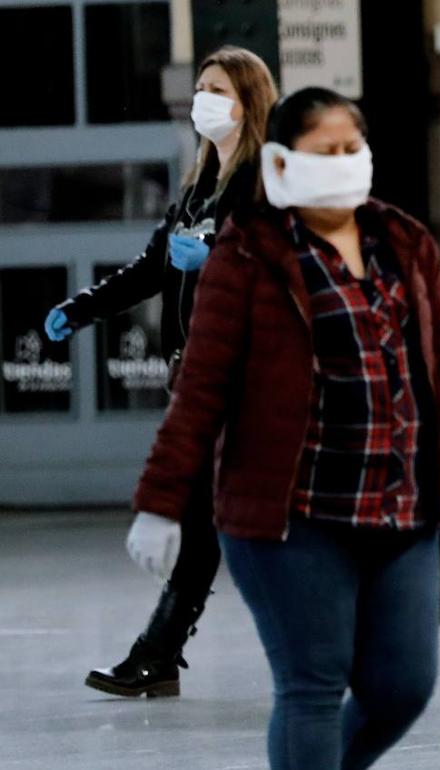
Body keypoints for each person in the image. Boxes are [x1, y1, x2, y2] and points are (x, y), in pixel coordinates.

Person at [126, 86, 440, 770]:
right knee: (312, 685)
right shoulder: (248, 253)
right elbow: (200, 394)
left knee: (403, 687)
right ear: (281, 162)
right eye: (324, 151)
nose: (342, 162)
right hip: (290, 518)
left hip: (402, 509)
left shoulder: (403, 241)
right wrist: (160, 505)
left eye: (352, 149)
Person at [42, 46, 278, 698]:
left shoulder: (264, 184)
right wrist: (83, 307)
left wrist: (220, 256)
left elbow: (287, 271)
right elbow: (150, 269)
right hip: (202, 376)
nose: (203, 99)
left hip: (251, 379)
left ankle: (161, 653)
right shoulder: (199, 185)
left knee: (244, 523)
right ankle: (159, 655)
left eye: (218, 89)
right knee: (209, 524)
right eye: (199, 86)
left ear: (249, 103)